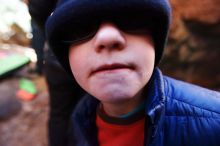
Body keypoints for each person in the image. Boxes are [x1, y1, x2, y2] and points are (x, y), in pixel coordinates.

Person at [45, 0, 220, 146]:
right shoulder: (80, 119)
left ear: (155, 42)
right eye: (79, 28)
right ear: (66, 55)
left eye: (133, 19)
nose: (108, 37)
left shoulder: (215, 123)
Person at [27, 0, 84, 146]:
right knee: (81, 108)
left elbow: (37, 8)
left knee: (61, 112)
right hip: (63, 52)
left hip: (58, 52)